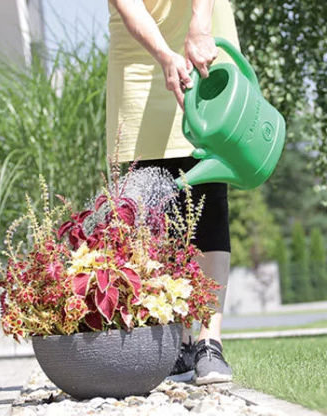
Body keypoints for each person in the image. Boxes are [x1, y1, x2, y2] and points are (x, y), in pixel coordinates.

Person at [106, 0, 239, 384]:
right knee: (149, 211)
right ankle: (174, 340)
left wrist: (199, 24)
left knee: (208, 194)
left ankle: (209, 341)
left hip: (202, 37)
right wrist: (164, 54)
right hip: (139, 53)